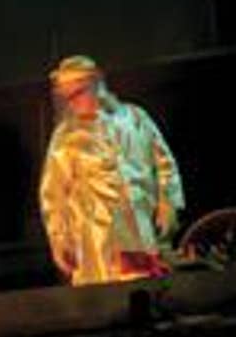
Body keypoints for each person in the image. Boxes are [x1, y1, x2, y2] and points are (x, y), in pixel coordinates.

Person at [40, 56, 184, 285]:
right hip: (96, 239)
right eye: (67, 97)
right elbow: (54, 193)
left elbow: (165, 164)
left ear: (97, 84)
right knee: (103, 296)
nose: (72, 102)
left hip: (140, 226)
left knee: (145, 290)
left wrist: (168, 203)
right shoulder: (66, 136)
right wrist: (59, 238)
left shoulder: (134, 118)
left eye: (78, 93)